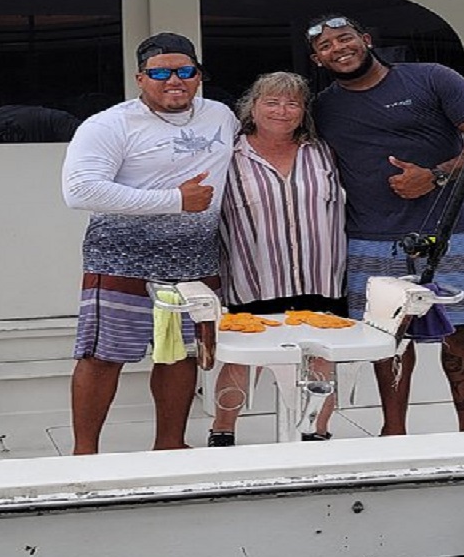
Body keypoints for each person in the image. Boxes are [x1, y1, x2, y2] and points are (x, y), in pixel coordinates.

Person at [305, 14, 464, 435]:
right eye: (326, 46)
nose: (338, 48)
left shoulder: (433, 78)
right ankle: (393, 431)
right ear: (318, 60)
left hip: (453, 234)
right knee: (386, 338)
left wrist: (434, 176)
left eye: (345, 38)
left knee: (463, 335)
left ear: (365, 38)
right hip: (369, 240)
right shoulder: (323, 107)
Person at [62, 32, 237, 454]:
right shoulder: (109, 123)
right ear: (141, 78)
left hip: (196, 261)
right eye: (159, 72)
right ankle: (84, 455)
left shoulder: (222, 116)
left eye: (184, 71)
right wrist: (176, 200)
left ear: (198, 76)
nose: (173, 80)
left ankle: (170, 447)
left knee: (180, 356)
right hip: (121, 260)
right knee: (103, 356)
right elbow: (79, 191)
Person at [208, 72, 348, 446]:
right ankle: (222, 434)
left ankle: (316, 435)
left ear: (303, 112)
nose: (282, 111)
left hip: (320, 278)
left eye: (292, 103)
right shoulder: (227, 155)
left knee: (320, 359)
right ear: (252, 108)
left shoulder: (323, 151)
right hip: (253, 278)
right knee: (241, 361)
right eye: (271, 102)